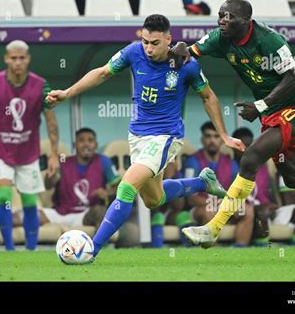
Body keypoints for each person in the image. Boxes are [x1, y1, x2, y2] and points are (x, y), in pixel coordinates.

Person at [47, 14, 245, 260]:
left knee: (126, 187)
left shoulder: (187, 65)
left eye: (155, 43)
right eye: (145, 42)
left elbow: (209, 97)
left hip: (165, 137)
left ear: (168, 40)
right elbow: (102, 73)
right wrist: (68, 92)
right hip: (137, 136)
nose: (149, 49)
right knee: (154, 199)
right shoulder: (133, 52)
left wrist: (224, 134)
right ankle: (203, 183)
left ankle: (91, 249)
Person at [172, 0, 295, 248]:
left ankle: (212, 229)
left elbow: (293, 80)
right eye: (221, 15)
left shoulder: (270, 41)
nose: (223, 20)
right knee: (294, 178)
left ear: (247, 21)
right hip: (271, 115)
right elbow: (188, 52)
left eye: (230, 16)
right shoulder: (220, 38)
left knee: (250, 158)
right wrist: (180, 47)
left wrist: (260, 105)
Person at [0, 40, 59, 251]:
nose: (18, 62)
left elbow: (51, 120)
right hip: (0, 151)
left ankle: (31, 249)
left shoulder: (41, 85)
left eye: (22, 58)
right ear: (6, 59)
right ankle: (9, 248)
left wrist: (54, 155)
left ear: (28, 59)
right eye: (13, 58)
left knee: (30, 202)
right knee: (4, 197)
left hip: (28, 154)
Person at [14, 127, 121, 229]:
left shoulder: (103, 161)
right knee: (21, 217)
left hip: (86, 214)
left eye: (90, 140)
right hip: (60, 213)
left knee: (101, 212)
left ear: (96, 145)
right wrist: (52, 174)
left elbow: (121, 187)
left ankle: (98, 247)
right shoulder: (64, 162)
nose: (86, 144)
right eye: (81, 140)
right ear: (75, 145)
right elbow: (48, 185)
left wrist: (107, 192)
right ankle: (0, 224)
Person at [185, 122, 255, 247]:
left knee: (248, 211)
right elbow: (190, 197)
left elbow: (237, 190)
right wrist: (214, 204)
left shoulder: (231, 163)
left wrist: (233, 205)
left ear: (222, 141)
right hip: (199, 209)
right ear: (202, 139)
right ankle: (213, 253)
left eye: (216, 137)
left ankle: (239, 251)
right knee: (209, 212)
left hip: (224, 206)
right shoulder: (193, 161)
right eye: (208, 136)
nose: (212, 140)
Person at [232, 127, 276, 246]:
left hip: (260, 209)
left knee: (260, 211)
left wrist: (271, 206)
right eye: (243, 145)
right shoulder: (228, 166)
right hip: (237, 210)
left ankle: (262, 249)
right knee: (257, 211)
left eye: (250, 145)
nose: (247, 149)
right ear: (234, 146)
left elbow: (269, 197)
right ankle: (262, 249)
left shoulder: (262, 167)